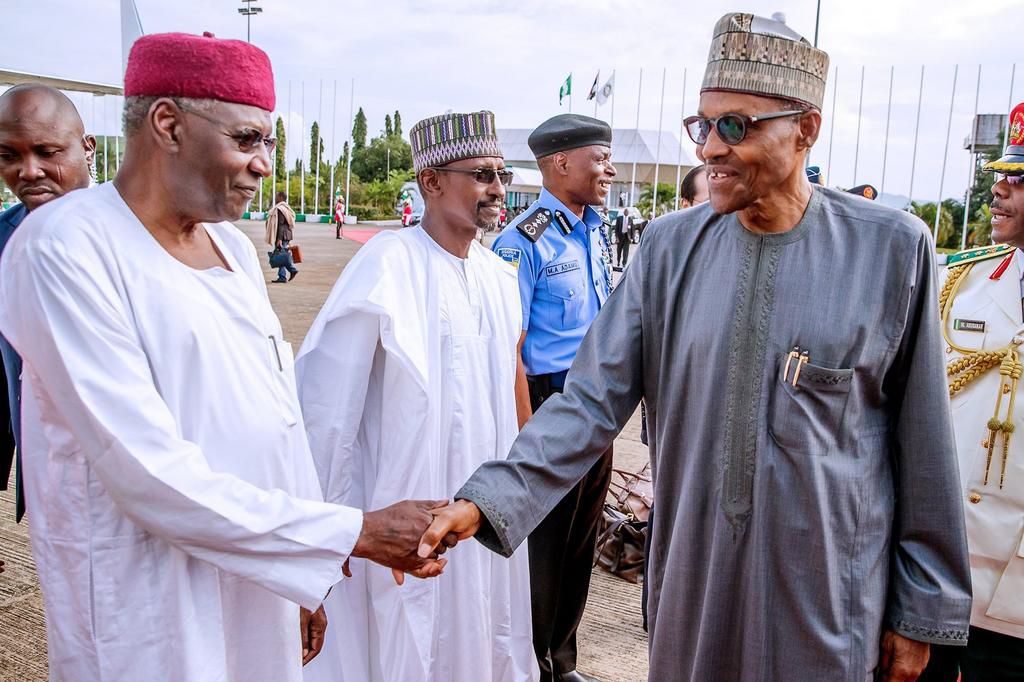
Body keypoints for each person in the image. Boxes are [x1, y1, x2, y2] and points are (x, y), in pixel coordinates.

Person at [422, 13, 972, 681]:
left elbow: (925, 450)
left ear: (806, 130)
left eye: (735, 126)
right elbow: (588, 403)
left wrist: (920, 612)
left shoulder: (891, 250)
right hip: (693, 591)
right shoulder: (667, 250)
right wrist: (486, 498)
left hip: (830, 598)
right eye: (702, 125)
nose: (710, 147)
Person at [0, 32, 445, 681]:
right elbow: (143, 469)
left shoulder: (233, 250)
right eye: (245, 139)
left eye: (269, 142)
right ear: (168, 124)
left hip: (260, 581)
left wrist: (303, 579)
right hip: (149, 602)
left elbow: (278, 428)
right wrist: (348, 532)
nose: (264, 163)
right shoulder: (64, 246)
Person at [297, 111, 537, 682]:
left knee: (489, 628)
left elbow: (511, 386)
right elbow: (328, 412)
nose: (498, 189)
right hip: (403, 516)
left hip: (483, 511)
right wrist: (327, 539)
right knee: (407, 642)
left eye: (500, 174)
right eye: (481, 174)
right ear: (431, 182)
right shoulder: (385, 267)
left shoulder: (499, 278)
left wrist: (522, 489)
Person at [490, 113, 616, 682]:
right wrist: (526, 430)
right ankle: (533, 661)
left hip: (596, 398)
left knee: (582, 538)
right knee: (546, 545)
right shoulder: (525, 239)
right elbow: (511, 343)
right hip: (549, 401)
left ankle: (562, 662)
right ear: (561, 163)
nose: (608, 168)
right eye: (599, 157)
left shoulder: (596, 228)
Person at [920, 100, 1024, 682]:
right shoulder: (960, 281)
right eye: (1002, 176)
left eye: (1018, 180)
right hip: (946, 565)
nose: (999, 191)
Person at [0, 84, 95, 526]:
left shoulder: (141, 234)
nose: (28, 170)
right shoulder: (3, 237)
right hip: (46, 478)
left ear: (87, 147)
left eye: (46, 150)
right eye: (8, 156)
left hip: (129, 481)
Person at [266, 190, 298, 282]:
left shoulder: (280, 209)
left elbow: (281, 224)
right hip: (286, 235)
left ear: (280, 197)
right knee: (281, 255)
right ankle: (282, 276)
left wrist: (279, 239)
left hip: (282, 235)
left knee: (281, 255)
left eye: (276, 196)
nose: (275, 198)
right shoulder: (287, 208)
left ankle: (291, 270)